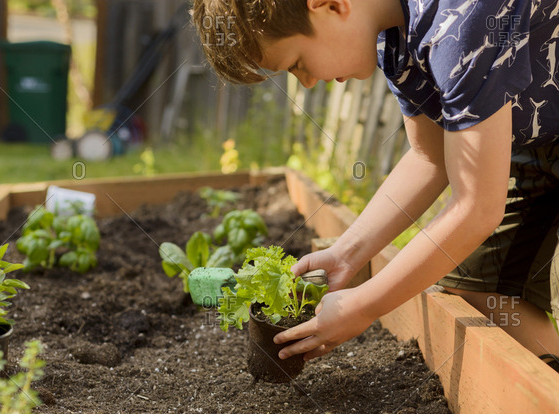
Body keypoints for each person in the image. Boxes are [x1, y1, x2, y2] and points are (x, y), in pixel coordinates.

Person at [191, 0, 559, 370]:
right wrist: (346, 254)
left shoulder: (461, 22)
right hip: (531, 140)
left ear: (330, 5)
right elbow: (429, 159)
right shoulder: (392, 42)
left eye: (298, 63)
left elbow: (477, 208)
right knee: (476, 286)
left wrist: (365, 305)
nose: (306, 81)